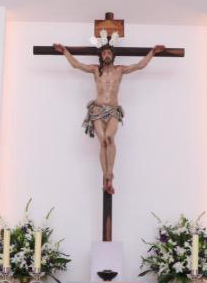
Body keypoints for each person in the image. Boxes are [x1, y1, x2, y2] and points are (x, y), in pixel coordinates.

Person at [53, 41, 165, 194]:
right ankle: (105, 176)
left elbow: (139, 65)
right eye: (104, 53)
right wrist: (64, 51)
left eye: (109, 53)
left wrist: (152, 52)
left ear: (113, 55)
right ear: (101, 55)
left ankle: (110, 173)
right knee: (103, 142)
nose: (106, 55)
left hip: (112, 110)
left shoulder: (120, 70)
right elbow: (76, 65)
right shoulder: (95, 70)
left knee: (109, 138)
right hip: (97, 110)